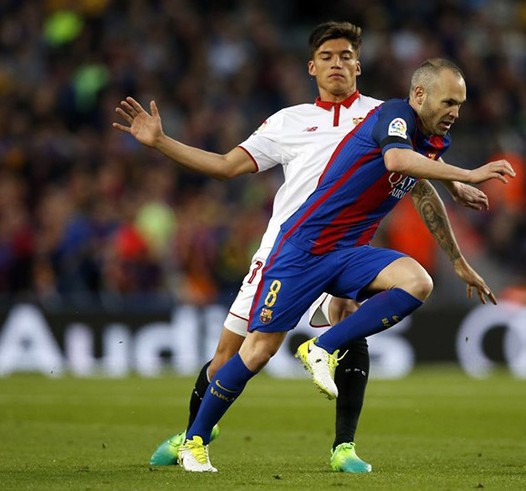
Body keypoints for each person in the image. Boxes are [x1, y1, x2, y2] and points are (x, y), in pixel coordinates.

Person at [113, 22, 489, 472]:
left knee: (377, 302)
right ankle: (193, 437)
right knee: (240, 354)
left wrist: (456, 238)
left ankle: (342, 442)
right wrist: (160, 142)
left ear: (359, 64)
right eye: (327, 56)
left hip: (349, 245)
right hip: (292, 247)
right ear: (312, 67)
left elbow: (419, 178)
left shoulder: (393, 116)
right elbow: (225, 166)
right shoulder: (293, 121)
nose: (338, 63)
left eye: (346, 55)